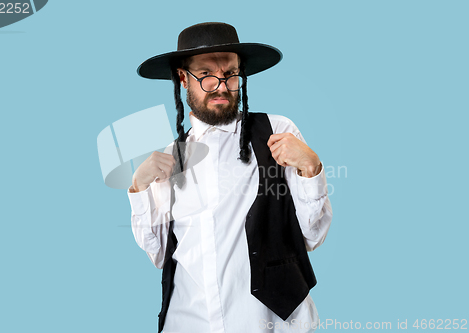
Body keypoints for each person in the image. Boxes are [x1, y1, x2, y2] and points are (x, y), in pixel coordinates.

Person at [128, 22, 333, 333]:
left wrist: (311, 168)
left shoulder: (277, 132)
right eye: (206, 74)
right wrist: (138, 188)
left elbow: (312, 236)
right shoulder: (171, 158)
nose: (221, 86)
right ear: (184, 78)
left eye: (230, 74)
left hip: (270, 323)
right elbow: (159, 255)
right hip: (188, 322)